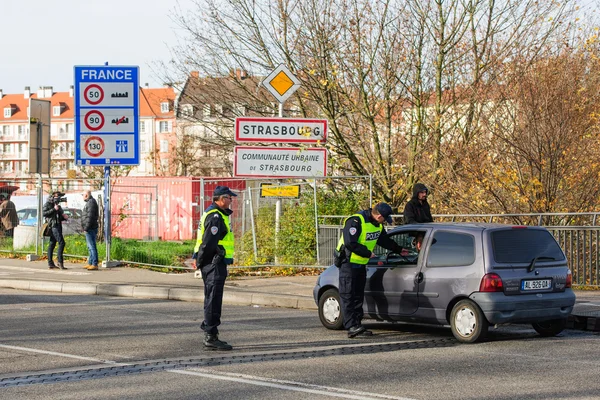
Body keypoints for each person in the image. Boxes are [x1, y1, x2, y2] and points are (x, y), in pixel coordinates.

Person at [335, 202, 404, 338]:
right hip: (348, 264)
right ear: (378, 215)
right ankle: (351, 327)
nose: (385, 221)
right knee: (348, 295)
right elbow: (350, 243)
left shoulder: (377, 225)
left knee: (358, 296)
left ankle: (357, 325)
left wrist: (399, 249)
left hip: (361, 264)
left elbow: (384, 241)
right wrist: (367, 253)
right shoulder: (355, 221)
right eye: (385, 218)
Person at [193, 186, 237, 351]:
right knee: (213, 299)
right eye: (229, 198)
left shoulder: (215, 214)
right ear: (222, 198)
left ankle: (210, 330)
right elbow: (208, 242)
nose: (231, 200)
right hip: (213, 263)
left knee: (211, 298)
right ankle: (210, 335)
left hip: (213, 262)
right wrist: (202, 262)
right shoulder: (216, 216)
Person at [43, 191, 68, 270]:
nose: (58, 198)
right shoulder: (48, 204)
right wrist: (54, 209)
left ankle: (50, 263)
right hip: (53, 226)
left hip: (58, 225)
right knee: (62, 243)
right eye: (57, 196)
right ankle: (60, 262)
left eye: (59, 197)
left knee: (52, 244)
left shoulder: (58, 206)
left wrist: (64, 217)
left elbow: (58, 217)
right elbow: (44, 213)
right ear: (52, 196)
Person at [81, 190, 99, 270]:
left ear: (86, 195)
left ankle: (94, 263)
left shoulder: (91, 203)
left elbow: (90, 217)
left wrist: (86, 227)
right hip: (90, 227)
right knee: (90, 246)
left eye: (83, 195)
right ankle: (90, 262)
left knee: (92, 246)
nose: (82, 197)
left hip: (90, 228)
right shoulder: (90, 202)